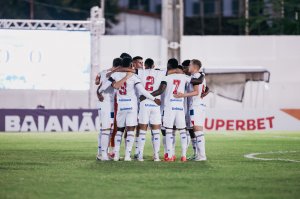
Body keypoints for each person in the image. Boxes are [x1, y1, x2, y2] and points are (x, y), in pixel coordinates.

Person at [98, 57, 161, 161]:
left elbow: (103, 87)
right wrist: (154, 99)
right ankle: (127, 156)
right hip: (132, 106)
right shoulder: (134, 76)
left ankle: (116, 155)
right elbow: (143, 91)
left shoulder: (115, 75)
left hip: (121, 106)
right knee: (131, 131)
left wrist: (100, 92)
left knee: (119, 130)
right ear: (131, 64)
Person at [149, 58, 204, 162]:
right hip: (180, 107)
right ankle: (183, 156)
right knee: (183, 131)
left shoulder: (166, 77)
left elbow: (161, 90)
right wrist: (203, 74)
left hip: (169, 107)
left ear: (168, 66)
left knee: (169, 131)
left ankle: (170, 155)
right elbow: (197, 81)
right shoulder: (185, 77)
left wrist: (147, 96)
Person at [174, 59, 208, 161]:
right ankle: (198, 155)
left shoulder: (196, 76)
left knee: (197, 131)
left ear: (194, 67)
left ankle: (201, 156)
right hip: (200, 105)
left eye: (190, 65)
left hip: (195, 106)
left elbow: (196, 92)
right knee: (196, 131)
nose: (188, 67)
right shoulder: (199, 76)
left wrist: (182, 95)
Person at [95, 57, 126, 161]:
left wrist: (98, 92)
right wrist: (99, 92)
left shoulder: (103, 71)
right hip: (106, 104)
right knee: (106, 129)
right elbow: (103, 86)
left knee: (107, 129)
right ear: (119, 67)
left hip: (107, 104)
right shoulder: (113, 75)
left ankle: (101, 153)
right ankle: (103, 155)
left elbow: (97, 82)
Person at [136, 58, 166, 161]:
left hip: (144, 104)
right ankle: (156, 156)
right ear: (153, 65)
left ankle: (140, 156)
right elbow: (161, 89)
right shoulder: (161, 73)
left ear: (145, 65)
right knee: (156, 131)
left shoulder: (140, 72)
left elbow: (131, 70)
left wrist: (145, 96)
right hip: (155, 103)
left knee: (142, 131)